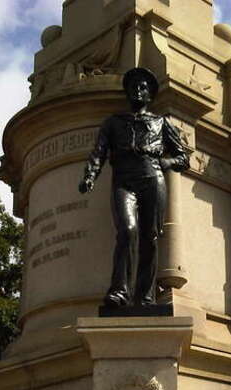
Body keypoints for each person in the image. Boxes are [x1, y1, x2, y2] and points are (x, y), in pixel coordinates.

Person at [79, 67, 190, 308]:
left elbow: (183, 158)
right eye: (133, 87)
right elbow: (98, 153)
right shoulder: (113, 123)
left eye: (143, 87)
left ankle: (145, 296)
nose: (138, 90)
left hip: (152, 177)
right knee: (127, 230)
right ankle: (119, 291)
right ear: (127, 93)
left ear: (150, 95)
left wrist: (166, 161)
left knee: (149, 237)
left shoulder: (161, 123)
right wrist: (90, 176)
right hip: (124, 180)